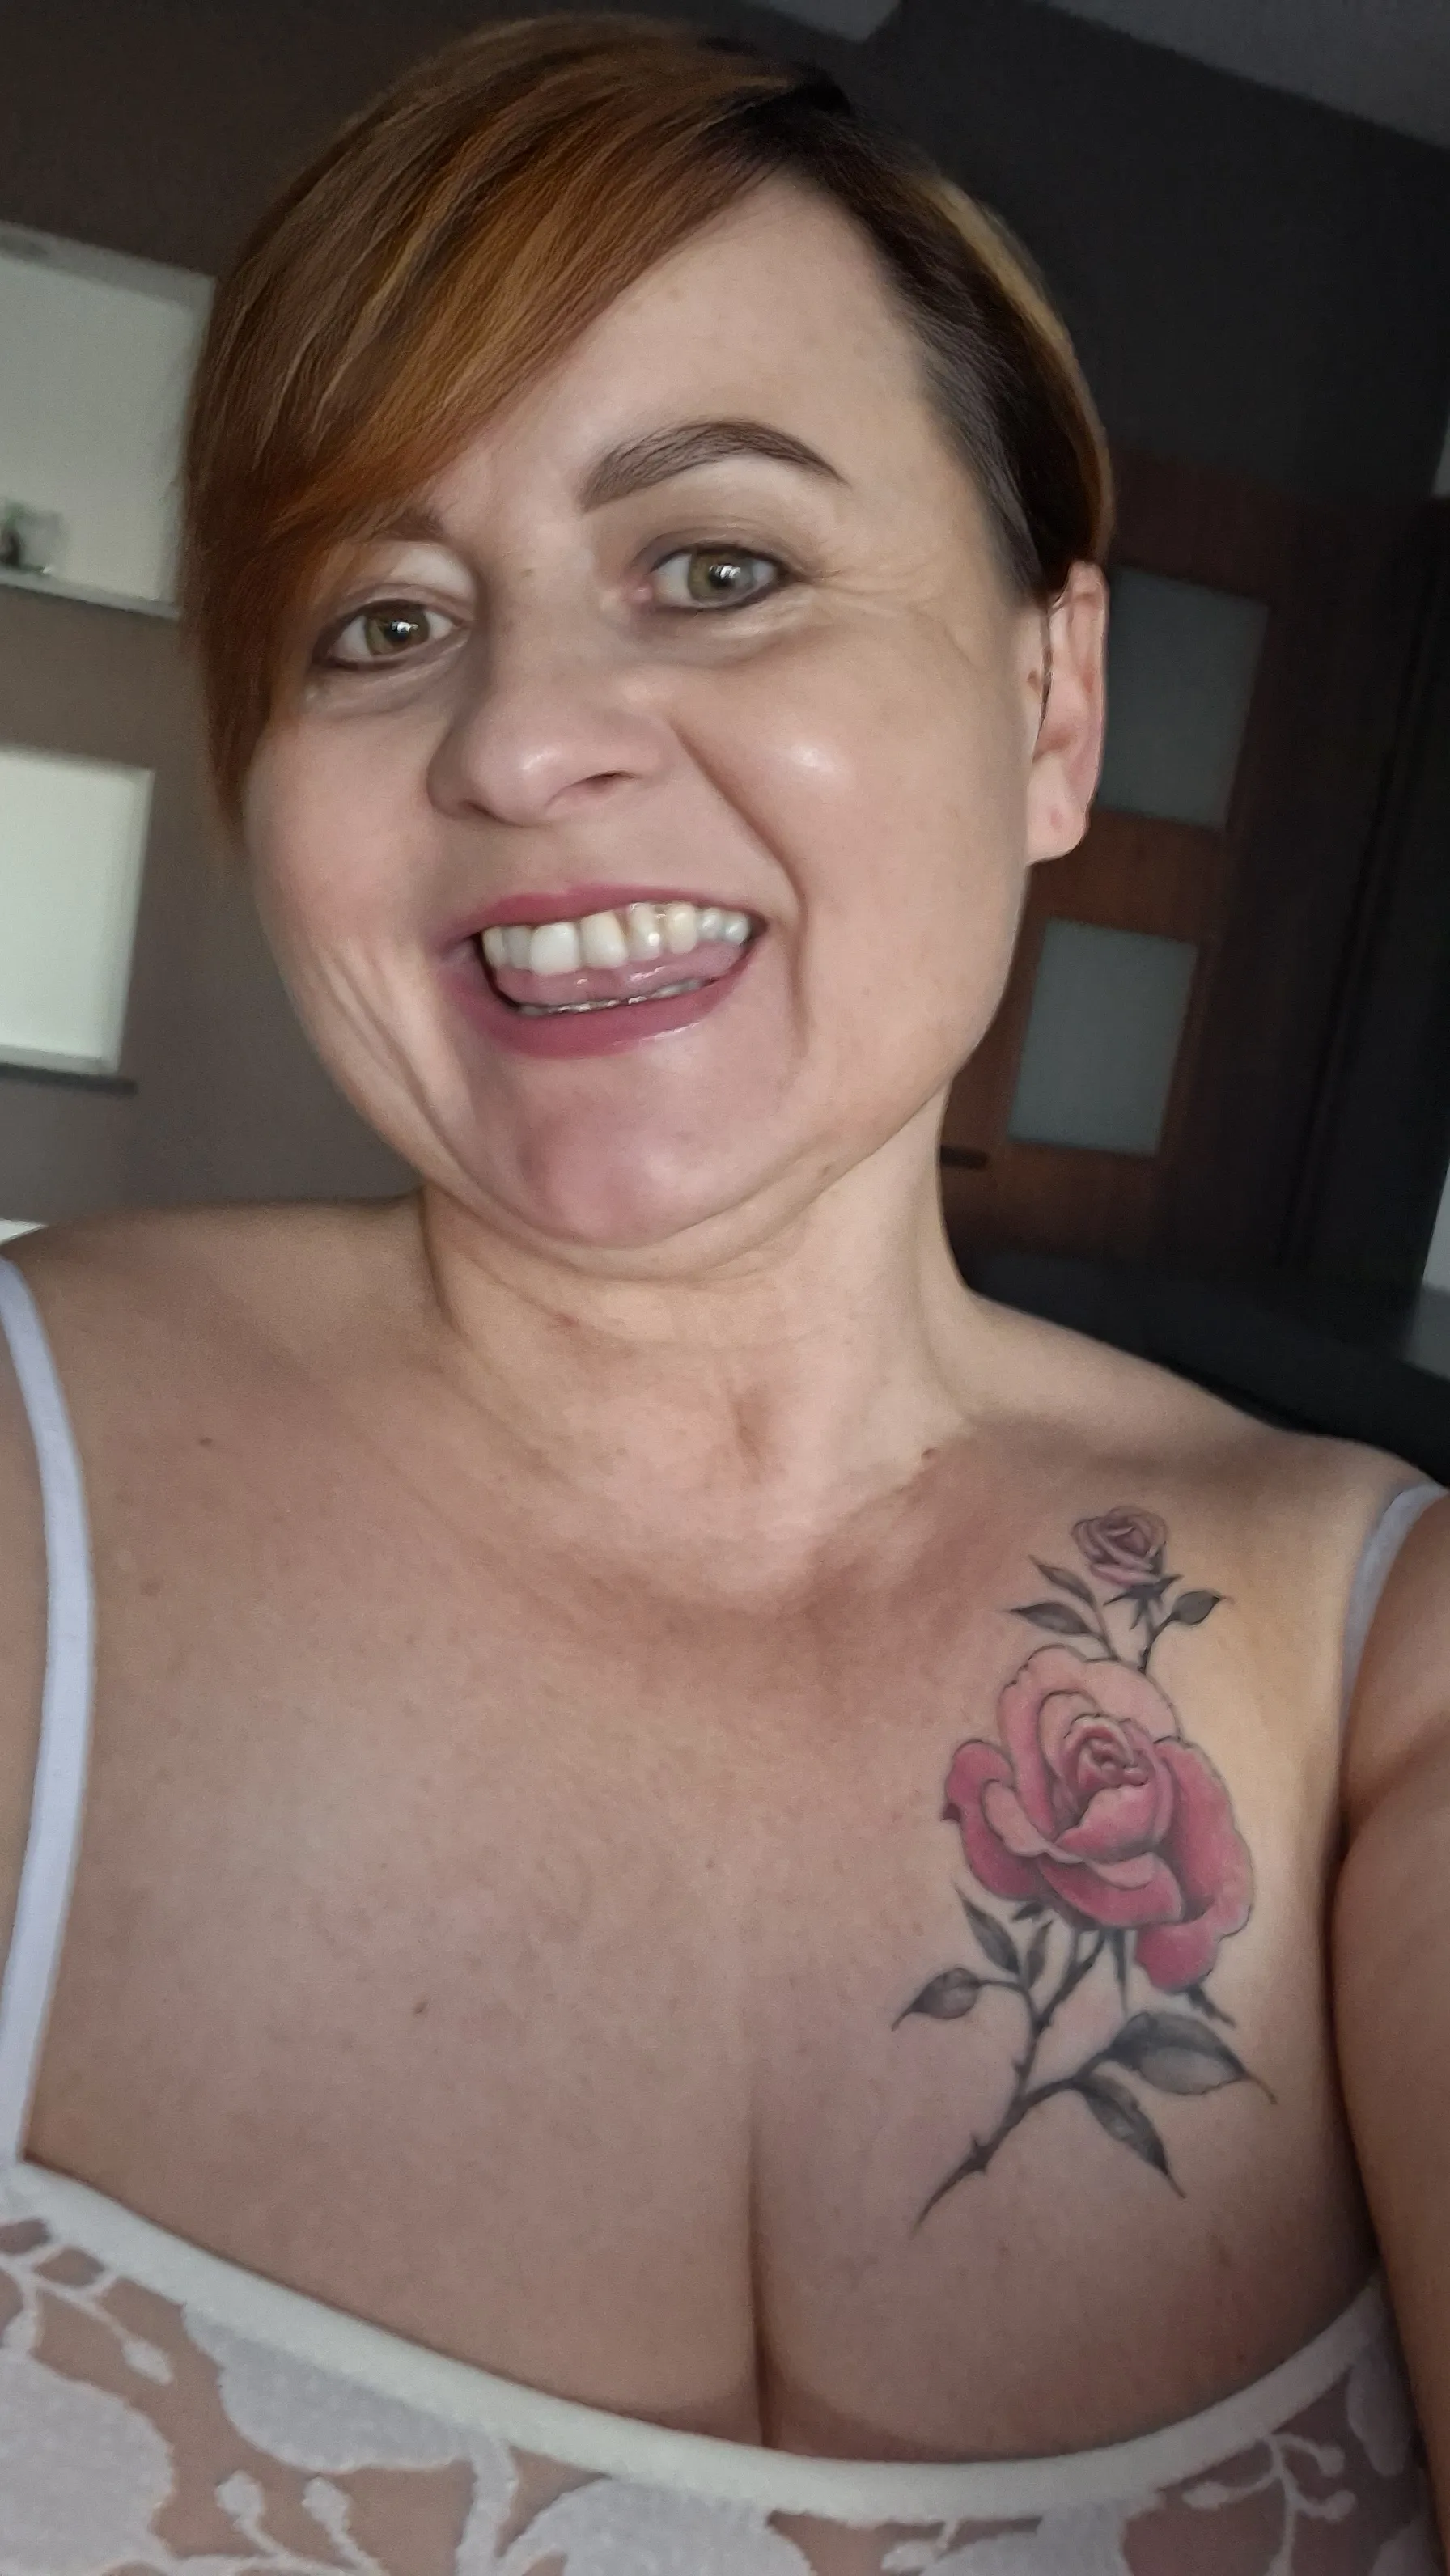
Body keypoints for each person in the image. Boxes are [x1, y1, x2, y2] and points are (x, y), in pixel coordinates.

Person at [0, 16, 1444, 2570]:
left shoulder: (1388, 1675)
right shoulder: (30, 1499)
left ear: (1053, 704)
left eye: (718, 566)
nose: (521, 737)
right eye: (380, 620)